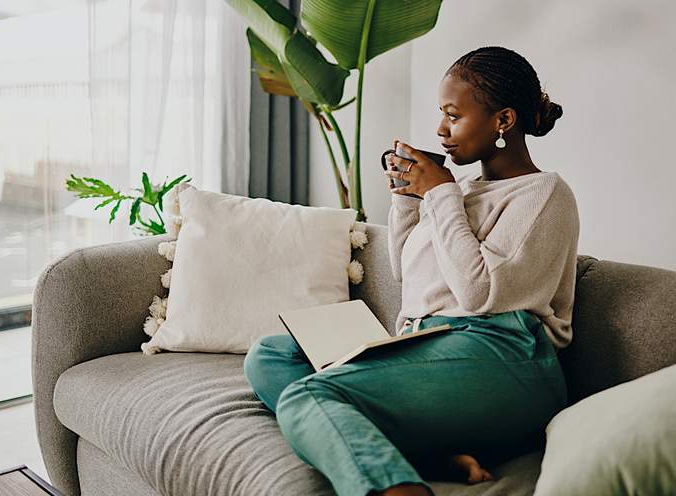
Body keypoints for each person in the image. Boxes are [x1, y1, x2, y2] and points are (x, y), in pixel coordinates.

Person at [243, 46, 579, 496]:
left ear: (503, 121)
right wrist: (408, 197)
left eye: (453, 116)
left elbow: (480, 295)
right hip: (430, 344)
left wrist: (440, 195)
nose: (441, 130)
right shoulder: (458, 192)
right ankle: (432, 454)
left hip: (506, 357)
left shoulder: (543, 193)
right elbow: (407, 277)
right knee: (271, 356)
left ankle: (397, 486)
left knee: (309, 394)